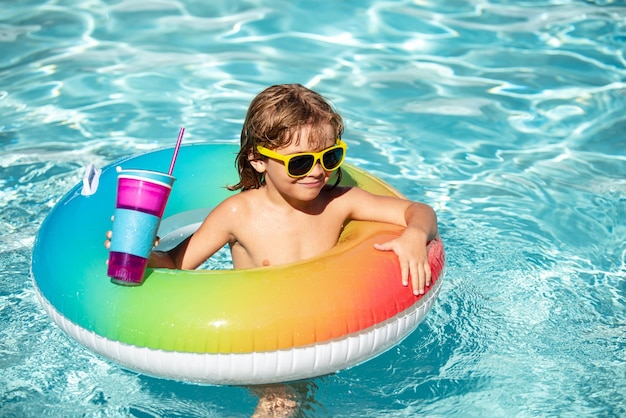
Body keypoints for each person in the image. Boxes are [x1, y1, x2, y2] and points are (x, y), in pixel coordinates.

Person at [106, 83, 438, 417]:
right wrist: (142, 253)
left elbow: (418, 211)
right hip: (257, 339)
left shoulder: (339, 203)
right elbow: (178, 262)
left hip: (321, 331)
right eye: (300, 163)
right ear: (258, 159)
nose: (318, 171)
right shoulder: (238, 214)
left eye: (330, 157)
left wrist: (415, 233)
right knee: (282, 402)